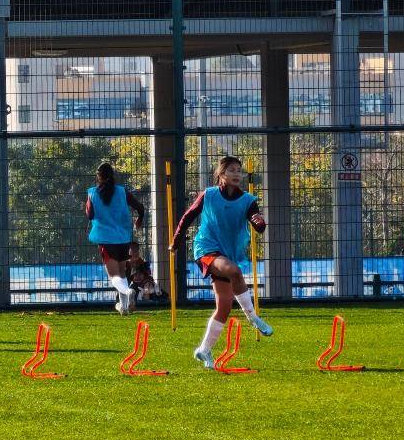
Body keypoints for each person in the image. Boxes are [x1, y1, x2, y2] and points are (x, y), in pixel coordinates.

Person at [169, 156, 272, 370]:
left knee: (224, 307)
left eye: (239, 170)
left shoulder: (248, 200)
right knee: (234, 271)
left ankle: (204, 350)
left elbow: (257, 221)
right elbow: (188, 217)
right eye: (232, 170)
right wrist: (176, 241)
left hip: (228, 251)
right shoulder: (209, 195)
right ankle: (253, 317)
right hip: (206, 248)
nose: (237, 174)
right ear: (221, 174)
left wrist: (259, 222)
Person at [85, 163, 144, 315]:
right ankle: (123, 307)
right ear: (113, 175)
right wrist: (139, 219)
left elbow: (90, 215)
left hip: (105, 238)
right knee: (122, 273)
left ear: (98, 177)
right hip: (123, 237)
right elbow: (140, 207)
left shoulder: (93, 193)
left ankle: (129, 291)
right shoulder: (122, 192)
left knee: (114, 276)